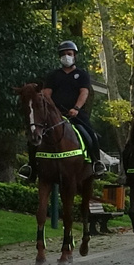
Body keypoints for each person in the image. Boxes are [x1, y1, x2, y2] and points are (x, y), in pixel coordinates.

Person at [42, 41, 103, 176]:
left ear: (74, 55)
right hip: (55, 115)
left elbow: (84, 93)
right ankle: (31, 167)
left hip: (76, 114)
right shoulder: (53, 75)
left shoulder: (82, 74)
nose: (66, 56)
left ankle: (96, 163)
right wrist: (53, 110)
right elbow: (46, 94)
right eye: (63, 54)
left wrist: (76, 108)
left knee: (91, 135)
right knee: (36, 135)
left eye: (69, 54)